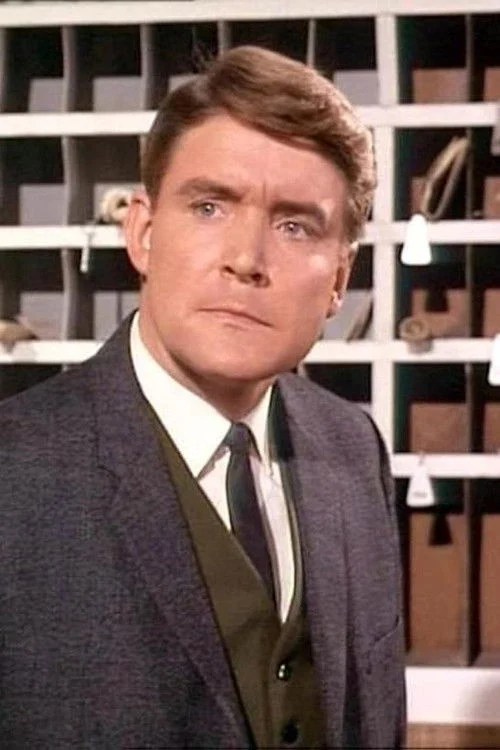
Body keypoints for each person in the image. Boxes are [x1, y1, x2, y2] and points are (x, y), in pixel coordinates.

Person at [0, 45, 405, 749]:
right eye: (210, 206)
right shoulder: (14, 469)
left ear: (340, 278)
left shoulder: (354, 447)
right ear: (143, 233)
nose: (246, 259)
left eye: (295, 225)